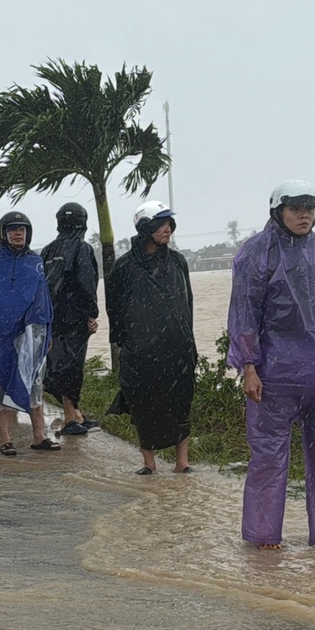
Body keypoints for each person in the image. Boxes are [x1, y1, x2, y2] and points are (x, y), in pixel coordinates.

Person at [227, 180, 315, 548]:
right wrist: (249, 366)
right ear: (278, 211)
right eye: (296, 209)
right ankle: (263, 535)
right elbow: (244, 312)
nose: (304, 215)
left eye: (309, 209)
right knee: (268, 459)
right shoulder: (257, 253)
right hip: (274, 375)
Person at [107, 202, 197, 475]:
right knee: (142, 404)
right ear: (146, 228)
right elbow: (114, 308)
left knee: (180, 402)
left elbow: (187, 302)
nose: (167, 229)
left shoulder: (178, 261)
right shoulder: (124, 267)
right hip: (141, 350)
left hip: (177, 346)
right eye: (161, 224)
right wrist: (126, 340)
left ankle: (182, 462)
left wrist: (188, 340)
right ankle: (149, 463)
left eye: (169, 224)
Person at [0, 211, 57, 456]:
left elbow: (43, 301)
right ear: (4, 233)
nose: (18, 233)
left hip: (31, 335)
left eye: (22, 229)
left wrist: (46, 333)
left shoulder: (35, 262)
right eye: (13, 229)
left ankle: (39, 436)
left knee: (34, 383)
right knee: (2, 382)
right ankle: (6, 439)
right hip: (3, 335)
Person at [41, 201, 101, 436]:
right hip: (74, 317)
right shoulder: (82, 249)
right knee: (72, 367)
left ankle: (76, 414)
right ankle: (70, 418)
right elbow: (87, 284)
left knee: (58, 364)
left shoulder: (47, 251)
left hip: (52, 317)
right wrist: (91, 314)